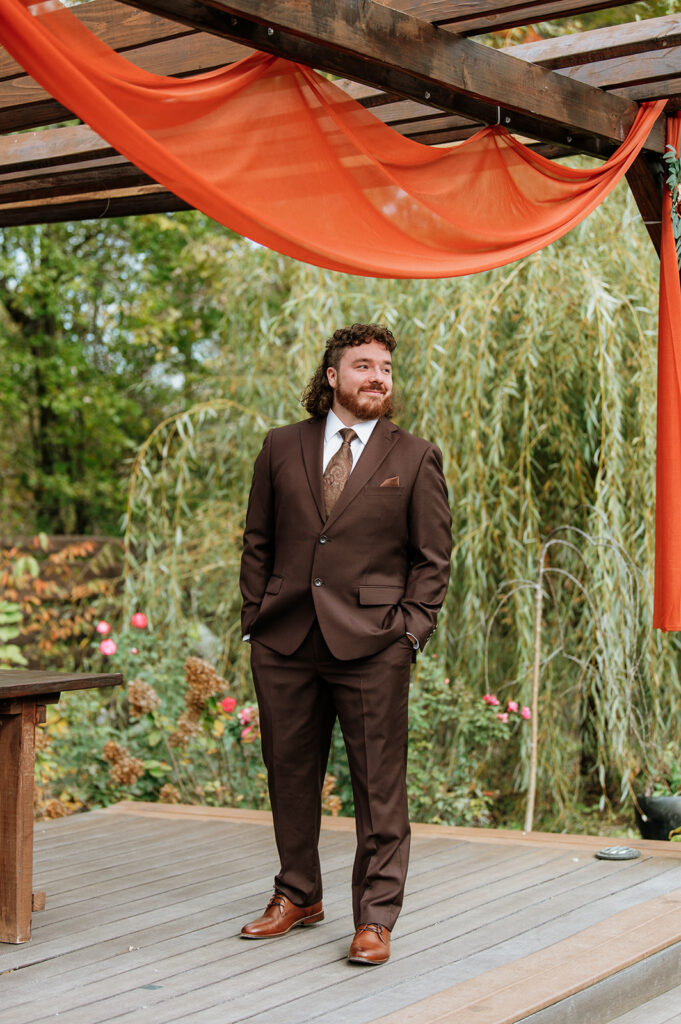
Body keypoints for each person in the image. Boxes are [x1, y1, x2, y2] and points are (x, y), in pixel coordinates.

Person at [238, 322, 452, 965]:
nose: (377, 377)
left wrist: (409, 633)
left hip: (374, 643)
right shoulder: (281, 447)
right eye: (363, 365)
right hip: (284, 639)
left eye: (385, 367)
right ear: (332, 376)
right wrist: (256, 618)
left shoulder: (414, 456)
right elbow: (258, 542)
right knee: (290, 775)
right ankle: (297, 892)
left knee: (379, 784)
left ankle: (376, 918)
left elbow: (432, 558)